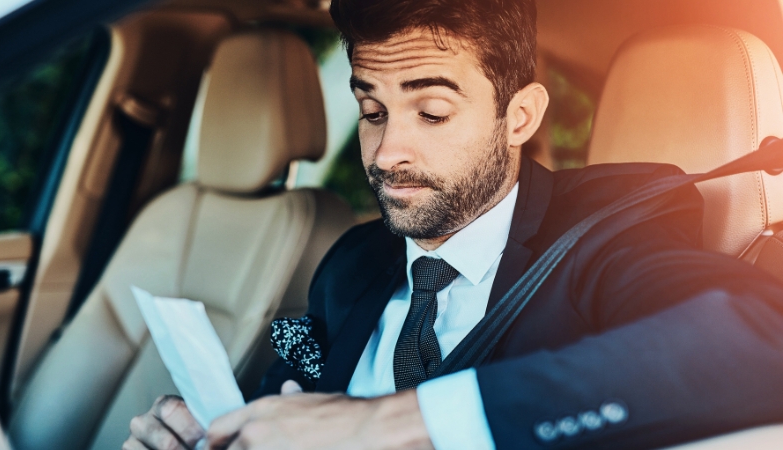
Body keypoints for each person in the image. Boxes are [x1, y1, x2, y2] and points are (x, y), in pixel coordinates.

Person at [123, 0, 783, 449]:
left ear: (519, 118)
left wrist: (393, 422)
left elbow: (763, 339)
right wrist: (211, 432)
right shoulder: (353, 261)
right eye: (374, 111)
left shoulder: (610, 231)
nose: (386, 155)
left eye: (432, 113)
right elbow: (292, 405)